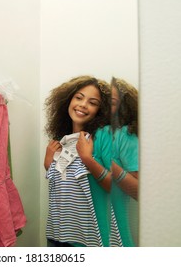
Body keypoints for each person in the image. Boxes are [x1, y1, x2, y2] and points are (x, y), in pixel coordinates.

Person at [43, 75, 114, 247]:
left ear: (100, 110)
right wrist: (48, 164)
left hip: (88, 241)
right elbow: (63, 186)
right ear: (68, 100)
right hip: (56, 234)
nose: (83, 104)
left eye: (93, 102)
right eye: (79, 97)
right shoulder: (62, 141)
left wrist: (88, 159)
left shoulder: (102, 140)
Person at [77, 77, 138, 246]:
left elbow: (138, 191)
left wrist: (88, 160)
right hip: (81, 236)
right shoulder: (94, 133)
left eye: (111, 102)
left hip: (112, 240)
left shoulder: (125, 135)